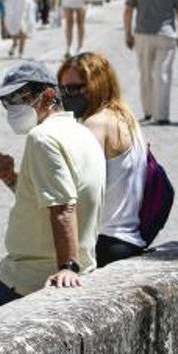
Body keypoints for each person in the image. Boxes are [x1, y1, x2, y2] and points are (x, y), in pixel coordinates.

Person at [0, 62, 105, 318]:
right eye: (8, 102)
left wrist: (67, 266)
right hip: (74, 269)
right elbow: (51, 198)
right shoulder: (82, 133)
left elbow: (64, 207)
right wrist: (12, 179)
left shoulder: (42, 138)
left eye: (20, 98)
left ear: (49, 95)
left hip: (27, 277)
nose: (13, 107)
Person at [57, 53, 149, 265]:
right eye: (62, 89)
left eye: (73, 89)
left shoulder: (95, 124)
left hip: (103, 243)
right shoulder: (127, 118)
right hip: (129, 240)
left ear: (96, 85)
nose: (66, 96)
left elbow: (77, 188)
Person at [124, 0, 178, 125]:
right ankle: (162, 114)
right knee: (163, 74)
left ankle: (148, 111)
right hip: (166, 35)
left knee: (145, 74)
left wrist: (128, 33)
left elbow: (128, 9)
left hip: (143, 34)